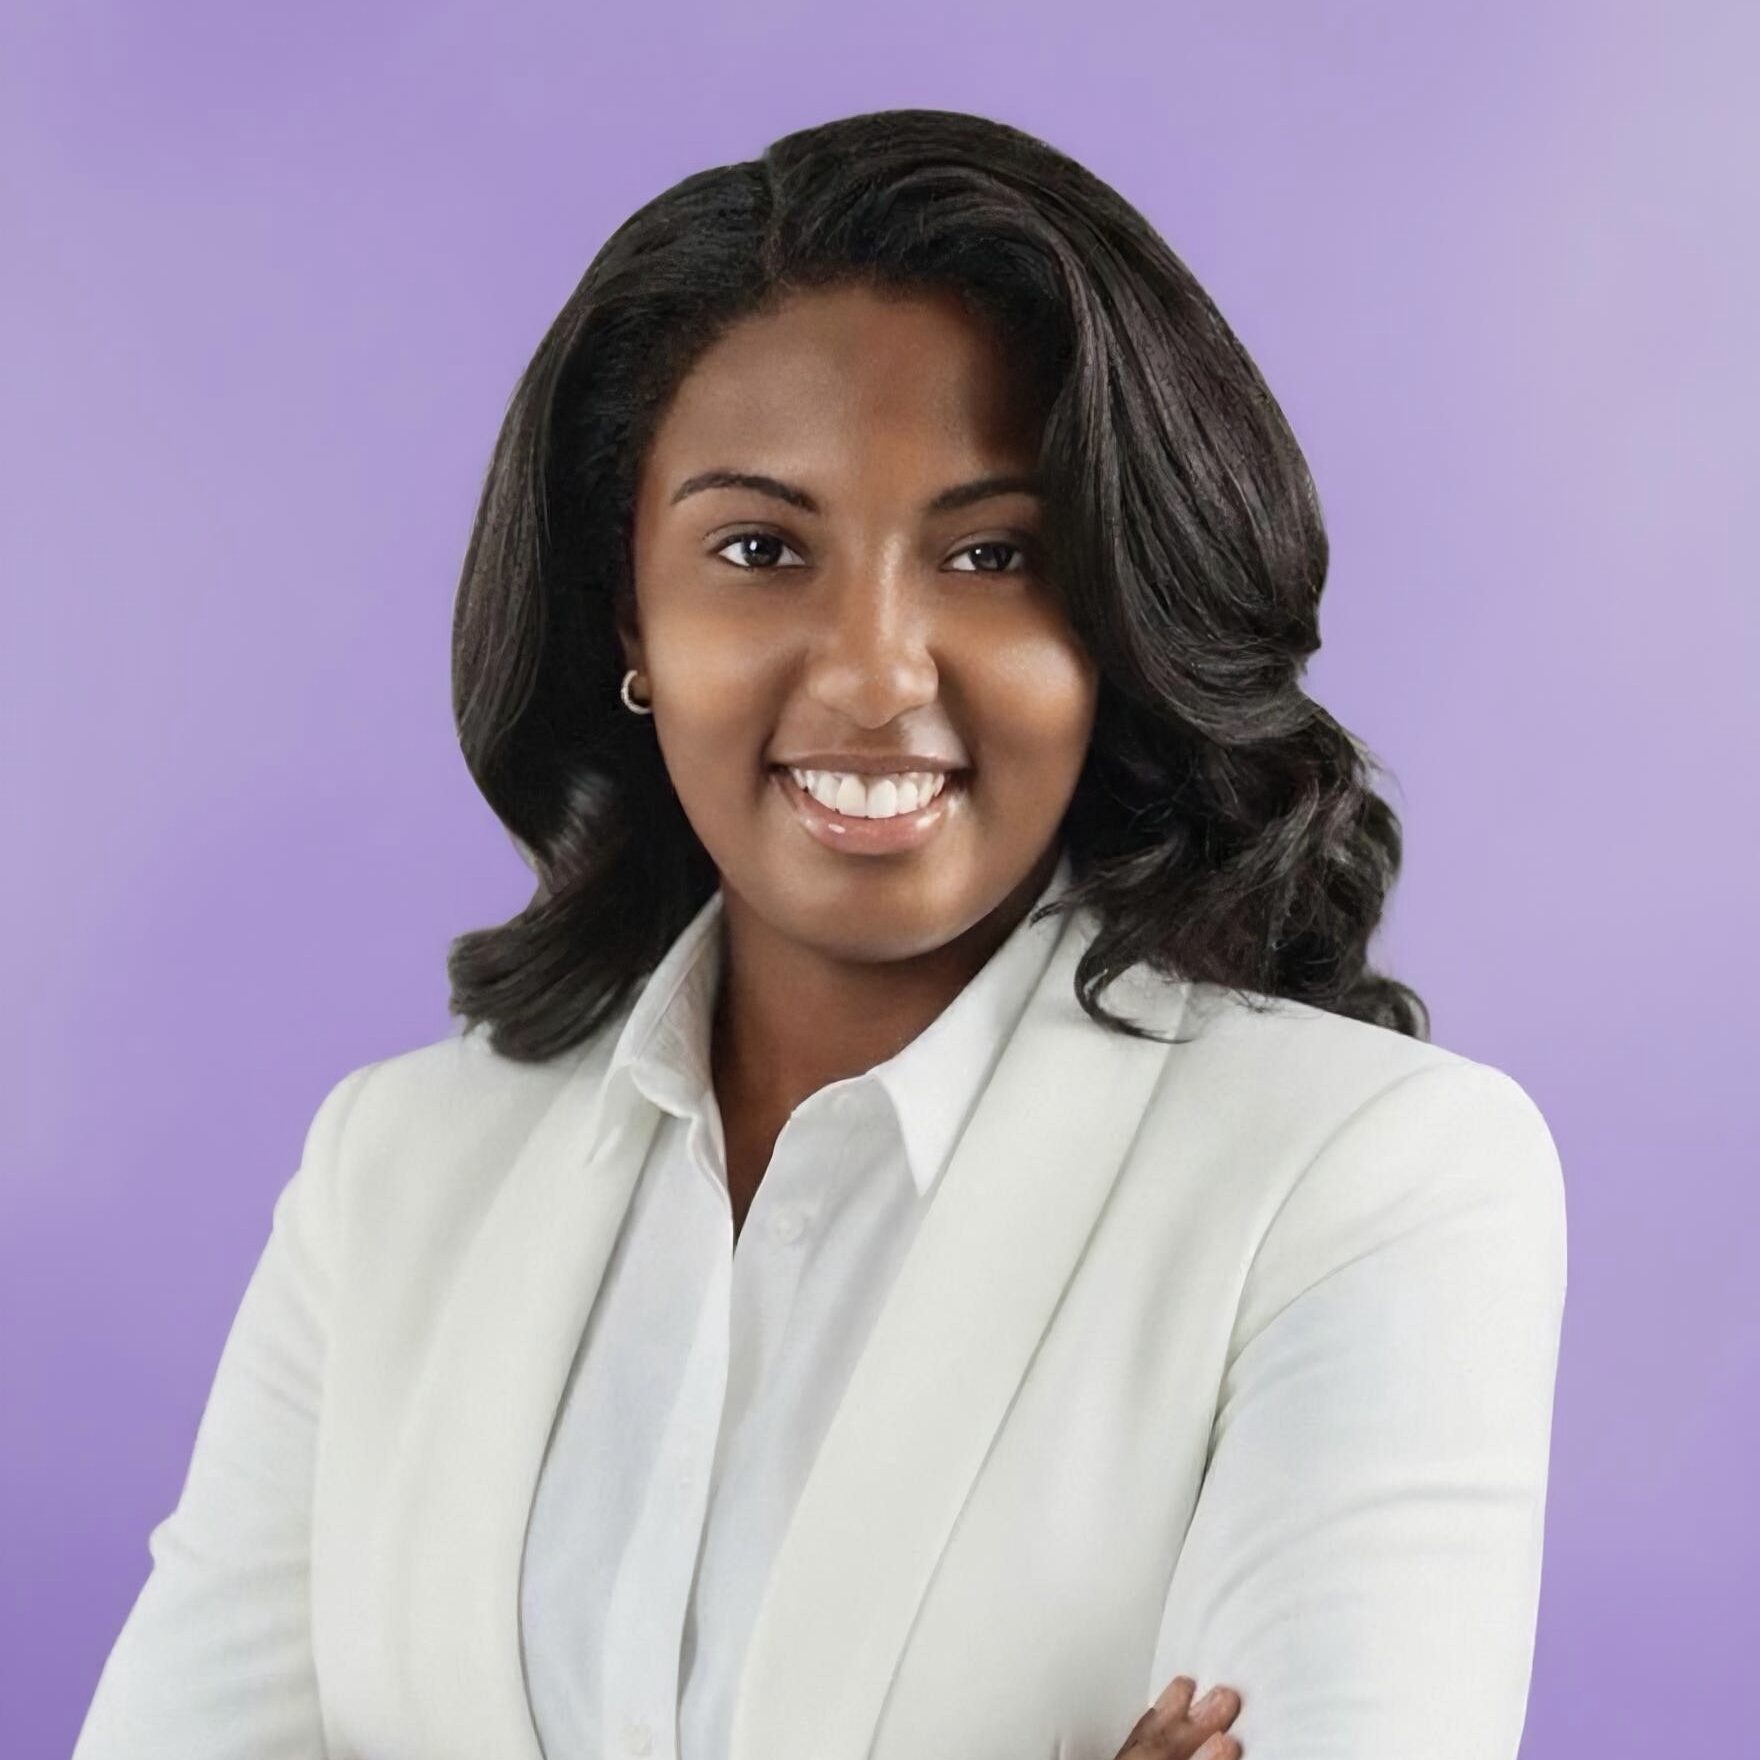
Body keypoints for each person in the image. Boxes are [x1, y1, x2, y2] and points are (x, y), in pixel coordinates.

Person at [72, 108, 1567, 1760]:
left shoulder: (1369, 1181)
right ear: (628, 614)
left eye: (995, 554)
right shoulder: (398, 1175)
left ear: (1121, 615)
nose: (871, 673)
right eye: (759, 549)